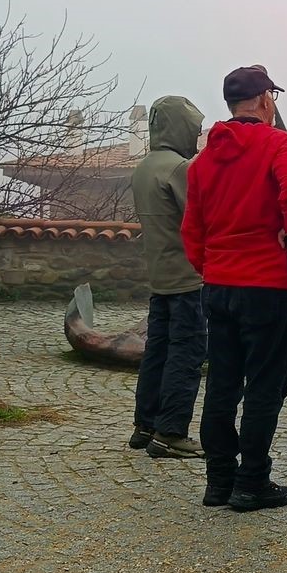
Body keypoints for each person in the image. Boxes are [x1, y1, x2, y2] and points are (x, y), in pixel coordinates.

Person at [181, 65, 287, 512]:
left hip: (219, 283)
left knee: (221, 384)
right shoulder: (280, 143)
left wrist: (210, 265)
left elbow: (192, 228)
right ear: (264, 100)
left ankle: (218, 481)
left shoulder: (203, 162)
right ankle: (251, 482)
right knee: (264, 385)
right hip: (268, 283)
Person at [129, 96, 208, 459]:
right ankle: (171, 431)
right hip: (188, 279)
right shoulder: (178, 168)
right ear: (181, 127)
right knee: (186, 354)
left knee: (156, 352)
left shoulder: (145, 167)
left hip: (160, 276)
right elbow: (202, 216)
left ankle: (144, 425)